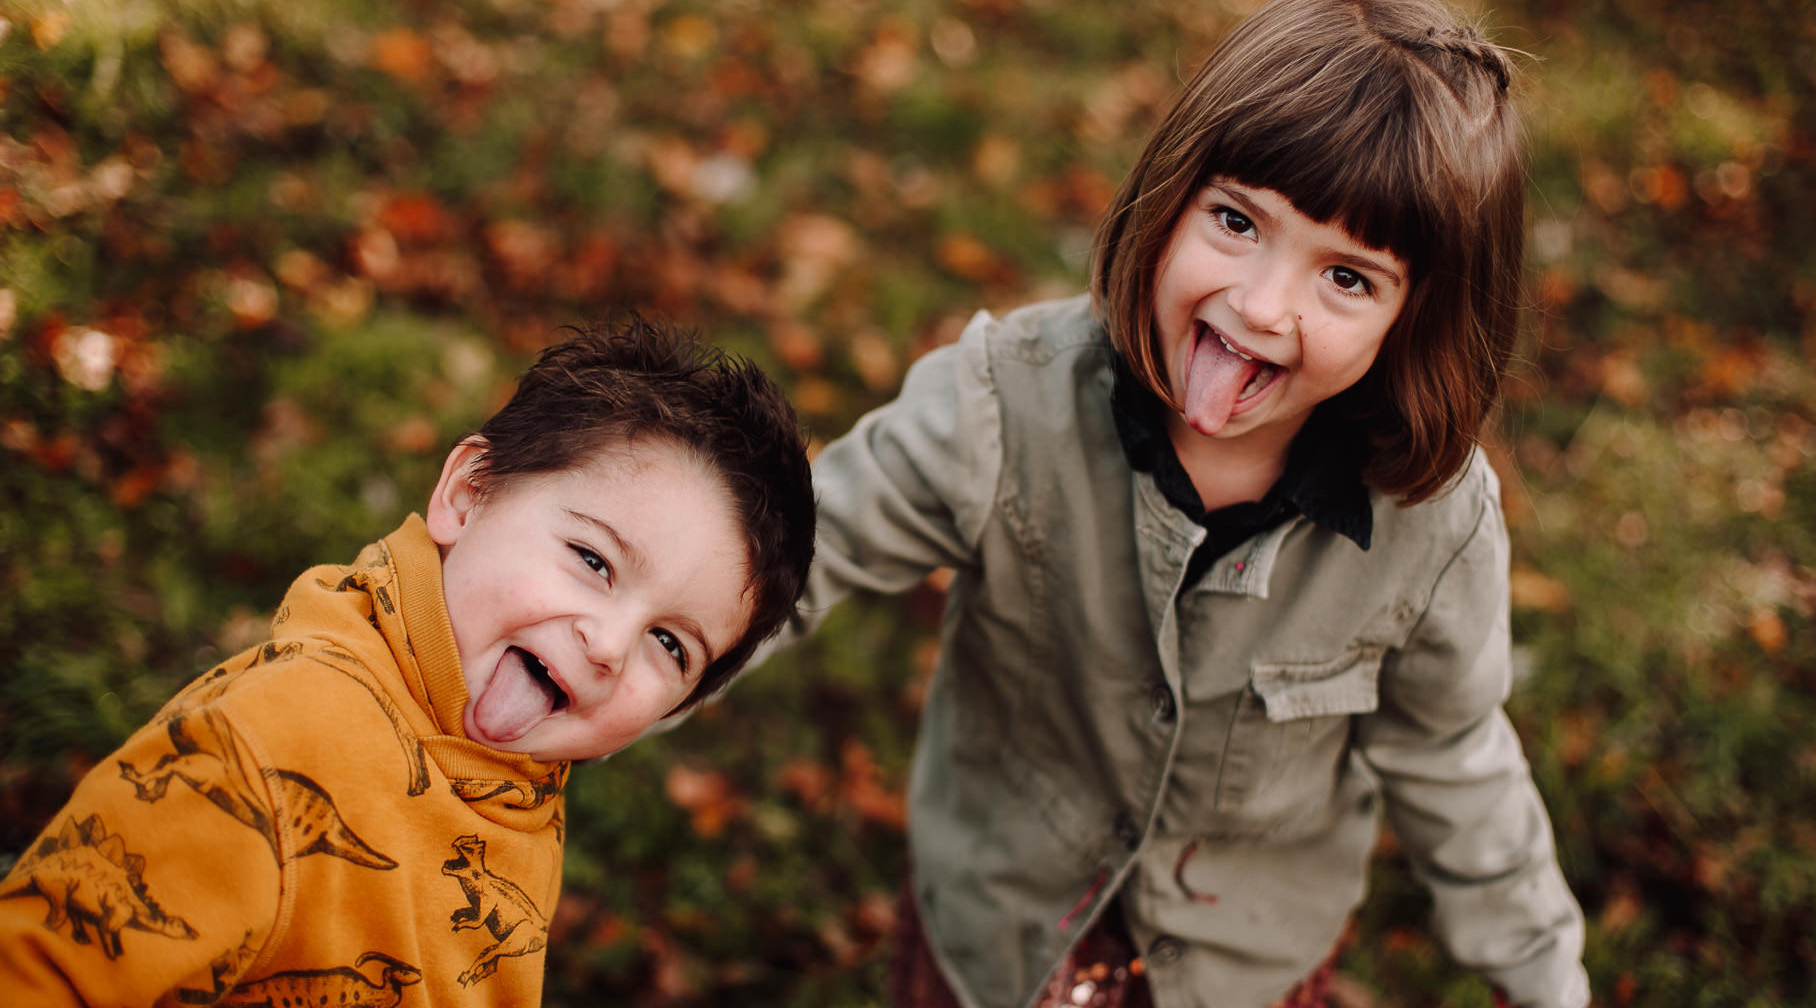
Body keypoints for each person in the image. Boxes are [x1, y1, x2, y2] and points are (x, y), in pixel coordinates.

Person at [778, 1, 1591, 1006]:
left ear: (1415, 320)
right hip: (995, 940)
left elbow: (1452, 753)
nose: (1261, 305)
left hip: (1242, 969)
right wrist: (607, 651)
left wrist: (1541, 975)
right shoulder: (1002, 400)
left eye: (1346, 276)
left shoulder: (1435, 529)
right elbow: (792, 554)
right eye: (1237, 220)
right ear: (1169, 197)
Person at [0, 317, 815, 1006]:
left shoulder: (520, 782)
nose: (607, 646)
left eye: (670, 645)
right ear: (468, 494)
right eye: (594, 562)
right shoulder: (272, 745)